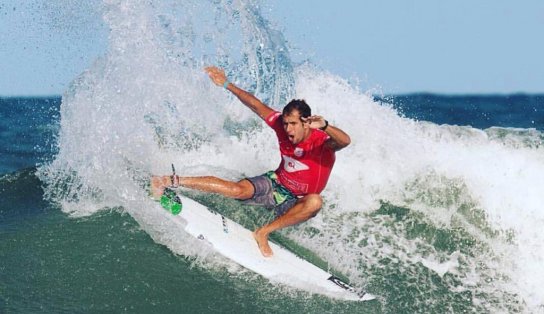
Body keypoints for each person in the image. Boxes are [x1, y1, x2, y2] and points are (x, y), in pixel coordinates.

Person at [151, 66, 351, 257]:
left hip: (296, 201)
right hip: (275, 183)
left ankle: (263, 232)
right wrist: (226, 83)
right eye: (286, 123)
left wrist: (325, 126)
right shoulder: (281, 126)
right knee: (237, 190)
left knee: (315, 201)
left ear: (306, 123)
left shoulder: (321, 142)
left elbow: (345, 141)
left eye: (293, 124)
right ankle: (169, 181)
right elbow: (256, 105)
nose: (288, 129)